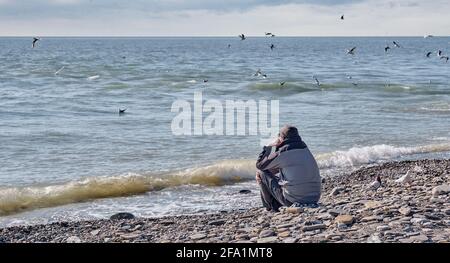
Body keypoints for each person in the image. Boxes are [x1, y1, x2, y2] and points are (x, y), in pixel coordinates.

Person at [256, 125, 321, 211]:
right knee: (277, 174)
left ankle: (270, 206)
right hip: (314, 198)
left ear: (281, 138)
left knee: (261, 172)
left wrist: (268, 146)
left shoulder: (283, 152)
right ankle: (274, 202)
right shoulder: (304, 148)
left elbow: (260, 165)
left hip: (293, 200)